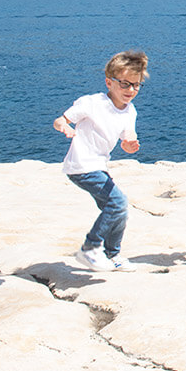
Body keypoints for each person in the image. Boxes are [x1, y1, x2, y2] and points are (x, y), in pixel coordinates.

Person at [53, 50, 148, 272]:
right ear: (109, 82)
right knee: (117, 203)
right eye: (125, 84)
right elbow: (60, 120)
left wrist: (130, 145)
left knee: (119, 208)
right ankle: (90, 247)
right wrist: (64, 126)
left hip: (98, 166)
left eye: (136, 85)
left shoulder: (129, 111)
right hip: (81, 165)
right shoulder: (92, 103)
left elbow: (127, 139)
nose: (131, 90)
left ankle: (112, 255)